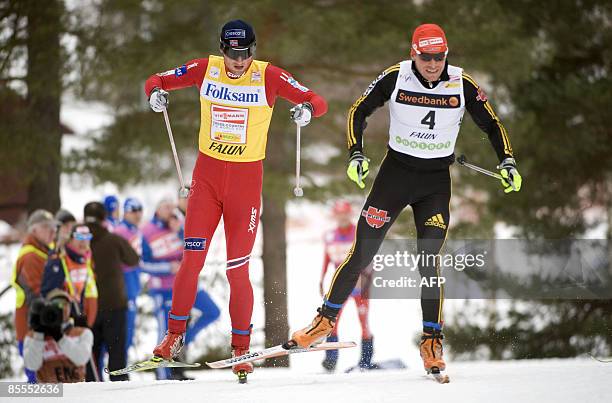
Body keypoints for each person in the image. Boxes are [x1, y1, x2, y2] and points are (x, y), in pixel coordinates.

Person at [291, 23, 522, 376]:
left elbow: (491, 123)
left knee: (429, 260)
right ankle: (325, 320)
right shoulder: (396, 76)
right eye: (426, 57)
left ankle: (432, 341)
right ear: (414, 53)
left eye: (439, 57)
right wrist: (356, 154)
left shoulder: (461, 82)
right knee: (362, 252)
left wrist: (506, 160)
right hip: (394, 178)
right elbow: (358, 111)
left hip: (434, 185)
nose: (433, 64)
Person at [144, 19, 327, 378]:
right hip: (207, 180)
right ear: (222, 49)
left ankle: (241, 348)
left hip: (245, 182)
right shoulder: (205, 68)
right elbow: (157, 79)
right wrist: (155, 93)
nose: (238, 61)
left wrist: (306, 110)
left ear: (252, 51)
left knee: (237, 269)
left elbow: (315, 100)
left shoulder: (267, 76)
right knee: (191, 260)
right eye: (231, 53)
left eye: (244, 54)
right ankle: (174, 335)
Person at [141, 199, 220, 380]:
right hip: (164, 288)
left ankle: (182, 341)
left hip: (188, 284)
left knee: (212, 311)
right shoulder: (147, 231)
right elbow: (143, 263)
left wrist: (179, 231)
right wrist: (168, 268)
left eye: (172, 207)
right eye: (166, 207)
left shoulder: (179, 224)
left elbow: (195, 247)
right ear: (157, 209)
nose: (170, 211)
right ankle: (163, 375)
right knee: (165, 332)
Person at [83, 201, 139, 381]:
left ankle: (92, 392)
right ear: (104, 218)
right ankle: (120, 392)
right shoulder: (114, 240)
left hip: (87, 307)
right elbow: (133, 259)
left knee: (91, 356)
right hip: (114, 305)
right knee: (117, 356)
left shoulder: (77, 242)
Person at [320, 201, 375, 372]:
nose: (342, 217)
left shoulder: (359, 233)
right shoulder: (329, 236)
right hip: (340, 286)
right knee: (332, 322)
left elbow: (371, 260)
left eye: (345, 213)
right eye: (339, 214)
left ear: (350, 214)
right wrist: (321, 280)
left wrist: (368, 282)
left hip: (359, 286)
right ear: (335, 216)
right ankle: (331, 360)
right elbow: (327, 260)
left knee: (364, 323)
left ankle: (366, 361)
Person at [11, 209, 57, 383]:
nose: (52, 231)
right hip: (31, 329)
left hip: (39, 328)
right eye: (46, 227)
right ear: (33, 230)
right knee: (38, 384)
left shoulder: (44, 251)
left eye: (53, 227)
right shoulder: (31, 256)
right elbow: (38, 294)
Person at [23, 288, 94, 383]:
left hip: (76, 392)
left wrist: (60, 337)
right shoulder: (33, 336)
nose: (63, 308)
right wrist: (39, 334)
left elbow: (81, 358)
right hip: (49, 393)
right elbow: (32, 365)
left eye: (66, 304)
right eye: (57, 304)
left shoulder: (83, 333)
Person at [40, 223, 98, 328]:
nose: (83, 242)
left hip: (80, 317)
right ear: (71, 239)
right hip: (62, 322)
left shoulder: (86, 258)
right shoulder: (58, 258)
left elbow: (87, 290)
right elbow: (48, 294)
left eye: (87, 237)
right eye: (79, 237)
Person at [113, 197, 144, 354]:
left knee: (129, 330)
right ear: (125, 212)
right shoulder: (120, 231)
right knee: (125, 328)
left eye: (140, 211)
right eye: (133, 211)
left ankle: (122, 364)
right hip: (124, 283)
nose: (137, 214)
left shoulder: (136, 230)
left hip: (133, 282)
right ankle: (118, 366)